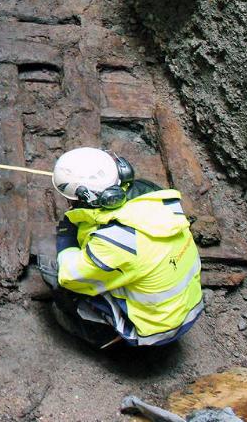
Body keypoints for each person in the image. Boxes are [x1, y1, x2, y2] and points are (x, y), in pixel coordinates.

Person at [43, 147, 203, 348]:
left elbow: (70, 276)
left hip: (156, 329)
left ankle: (103, 336)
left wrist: (66, 236)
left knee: (54, 273)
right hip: (187, 307)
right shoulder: (156, 197)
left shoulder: (115, 241)